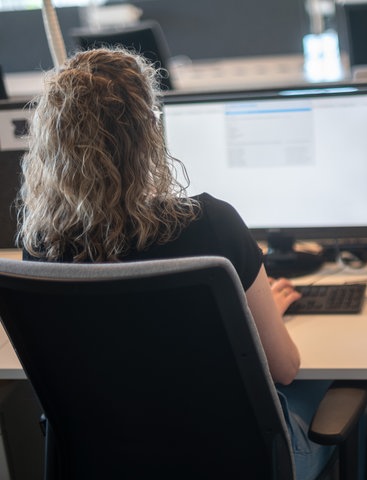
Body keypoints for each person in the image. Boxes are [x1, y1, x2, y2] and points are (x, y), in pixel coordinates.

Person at [16, 48, 333, 479]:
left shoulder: (40, 246)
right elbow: (285, 367)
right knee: (334, 387)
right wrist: (264, 314)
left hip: (106, 463)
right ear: (148, 132)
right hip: (236, 464)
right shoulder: (211, 224)